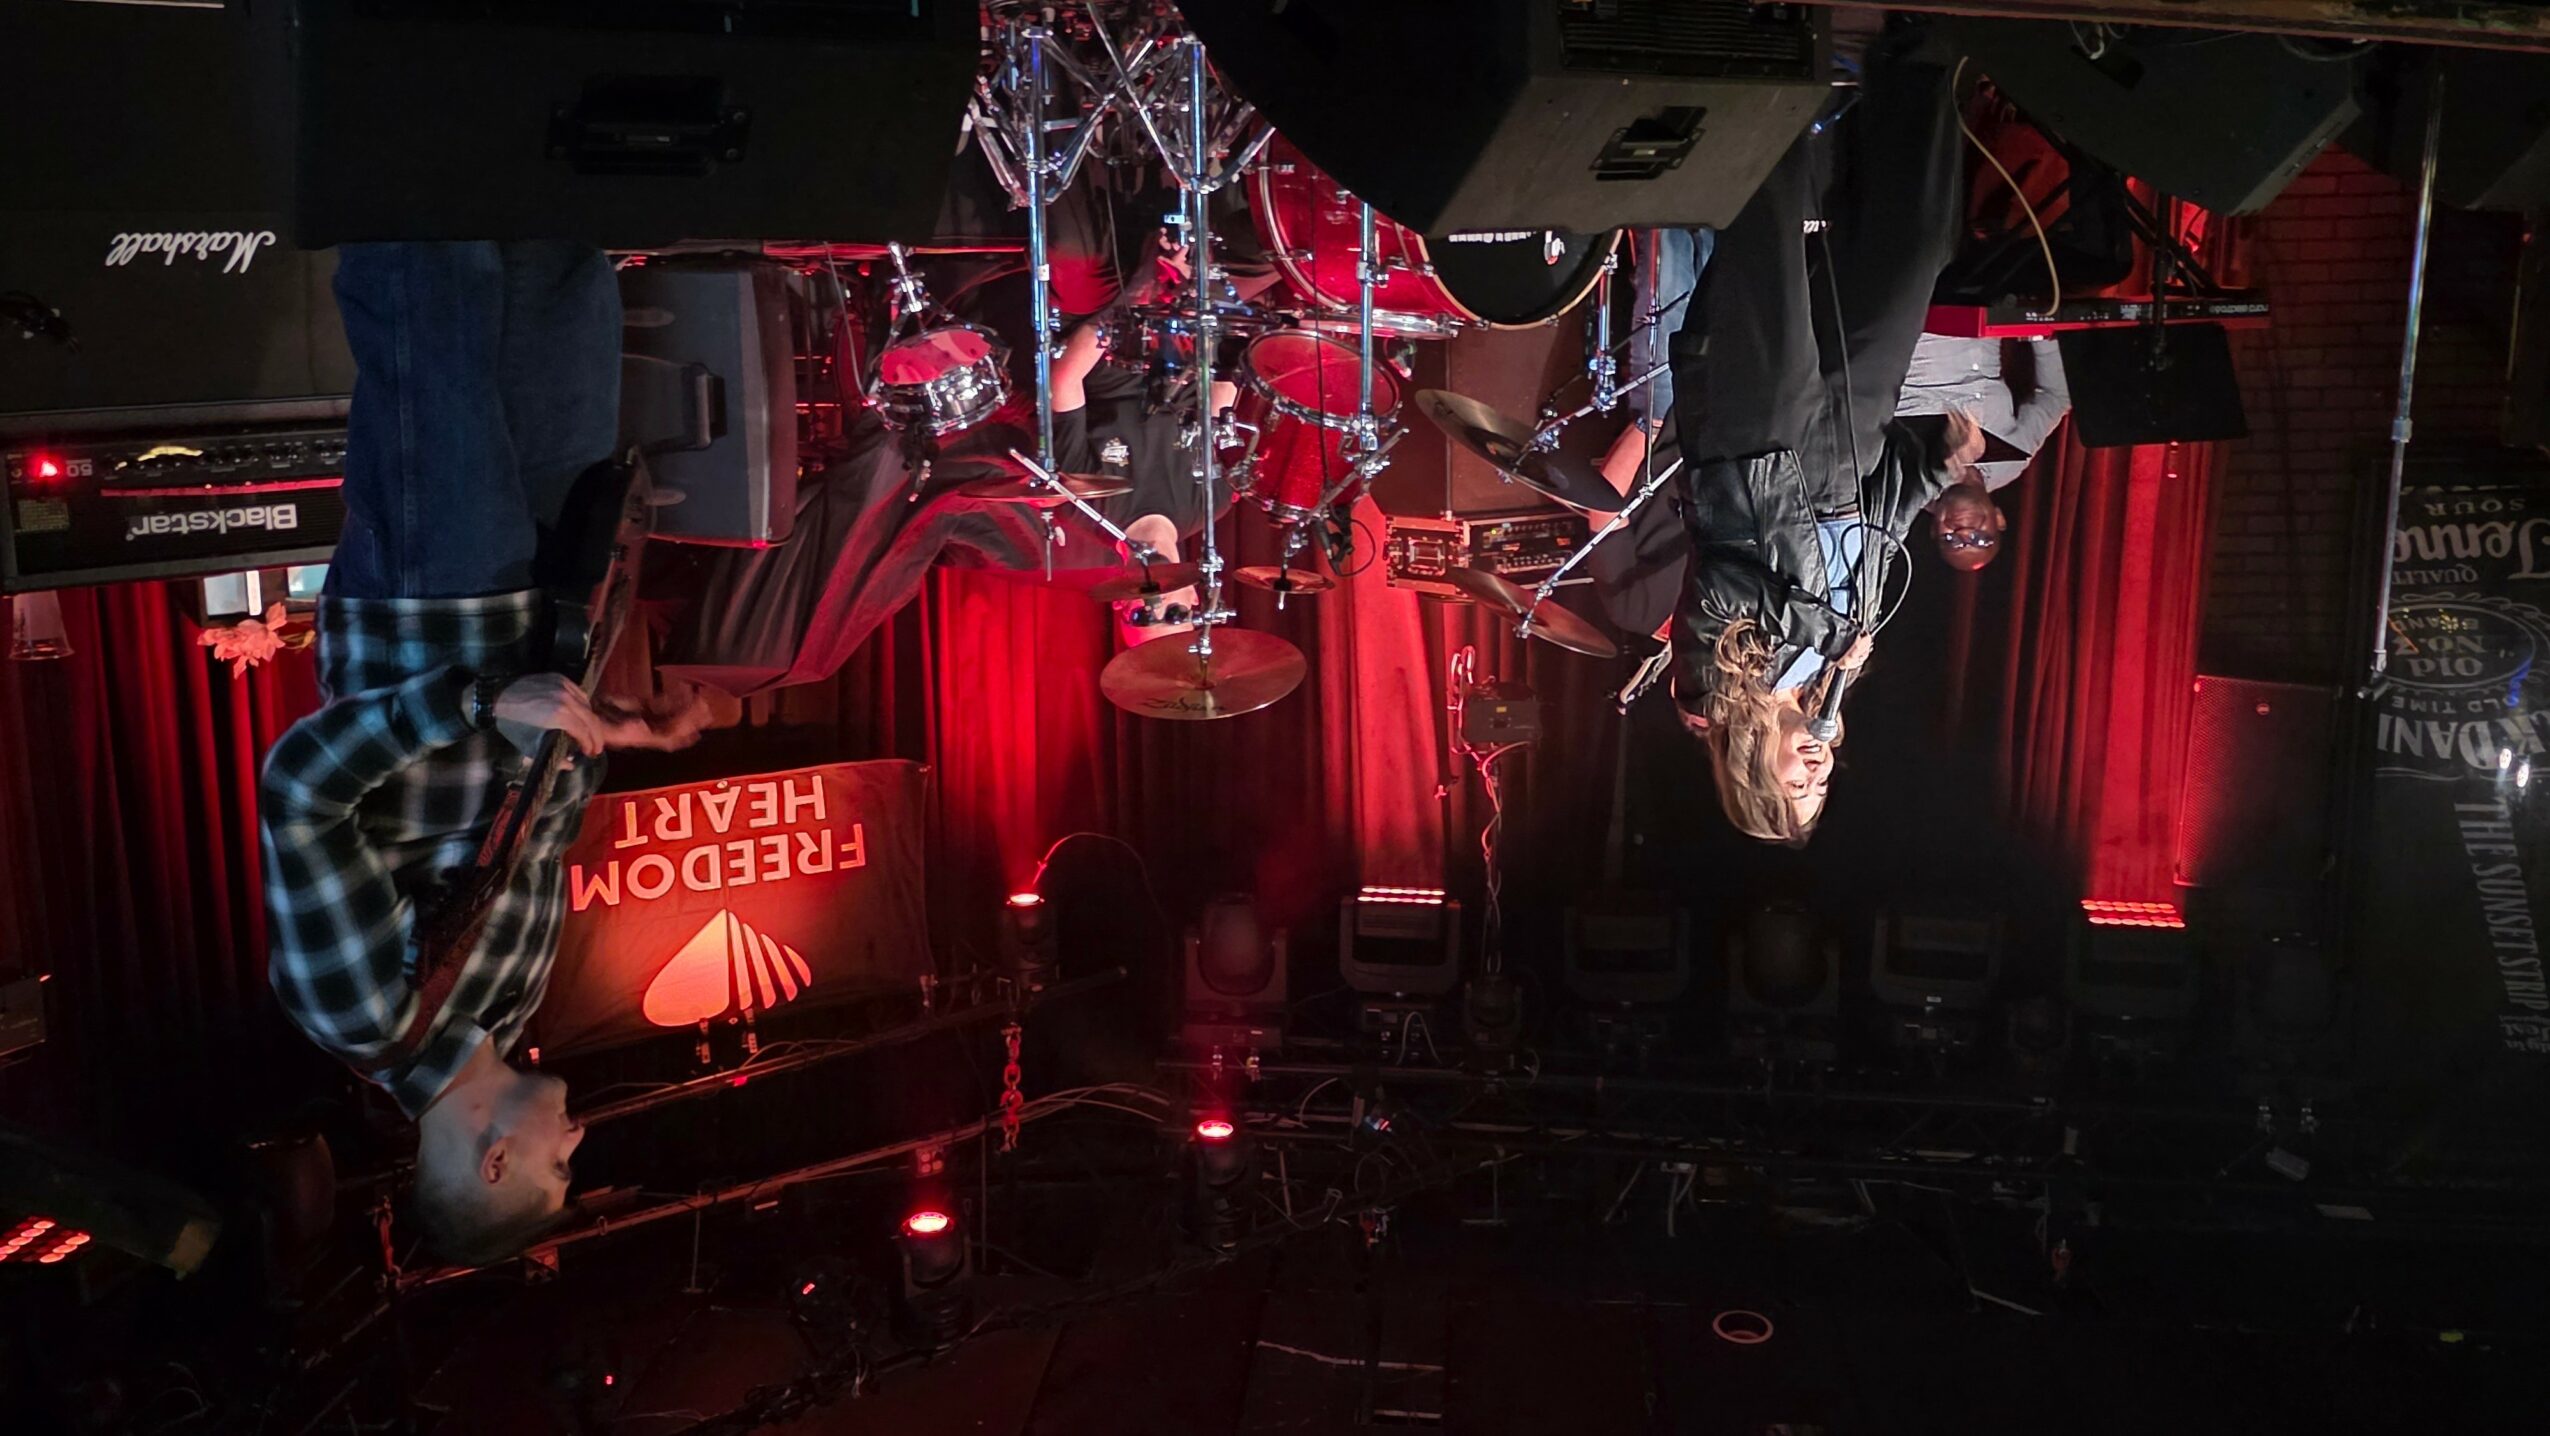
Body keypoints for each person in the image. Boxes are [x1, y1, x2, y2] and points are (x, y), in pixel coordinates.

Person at [260, 242, 712, 1267]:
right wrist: (619, 728)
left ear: (493, 1163)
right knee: (565, 270)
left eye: (561, 1168)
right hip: (545, 603)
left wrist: (473, 699)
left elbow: (299, 794)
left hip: (431, 606)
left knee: (434, 279)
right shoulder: (510, 1008)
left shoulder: (358, 1014)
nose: (577, 1143)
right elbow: (522, 804)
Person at [1659, 23, 1979, 846]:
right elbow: (1874, 534)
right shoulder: (1833, 676)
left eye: (1796, 785)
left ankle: (1759, 38)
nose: (1816, 768)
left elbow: (1720, 587)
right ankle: (1921, 50)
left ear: (1753, 775)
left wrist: (1822, 633)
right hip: (1848, 449)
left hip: (1760, 449)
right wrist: (1936, 470)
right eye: (1822, 783)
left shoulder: (1711, 693)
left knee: (1771, 227)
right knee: (1917, 249)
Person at [1894, 331, 2071, 570]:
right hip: (1979, 319)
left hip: (1913, 324)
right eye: (1980, 539)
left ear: (1934, 530)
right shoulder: (2011, 461)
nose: (1964, 532)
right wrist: (2038, 329)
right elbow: (2057, 398)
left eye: (1951, 540)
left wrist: (1941, 461)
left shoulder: (1903, 483)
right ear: (1999, 519)